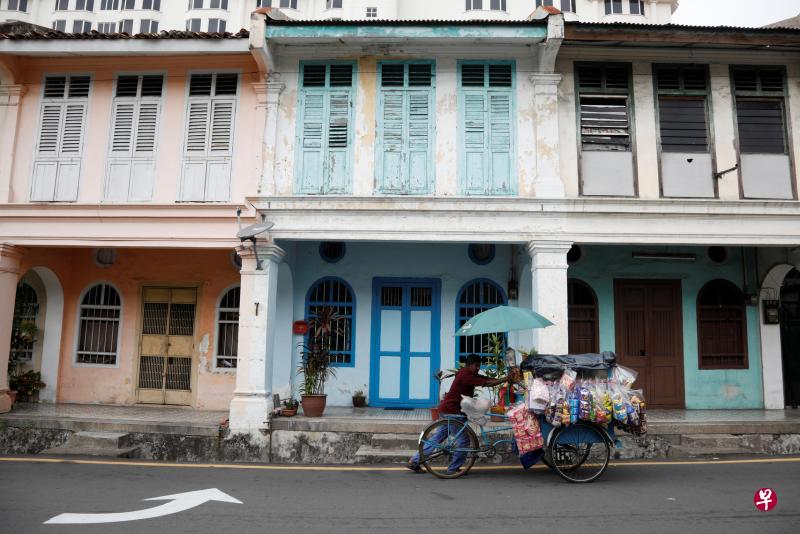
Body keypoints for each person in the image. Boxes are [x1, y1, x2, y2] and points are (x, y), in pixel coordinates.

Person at [407, 353, 511, 474]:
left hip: (447, 409)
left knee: (438, 437)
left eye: (479, 366)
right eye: (477, 366)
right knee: (464, 441)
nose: (478, 368)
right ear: (471, 365)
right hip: (453, 411)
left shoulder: (467, 373)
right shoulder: (466, 375)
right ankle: (453, 469)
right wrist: (505, 379)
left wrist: (505, 379)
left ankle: (414, 461)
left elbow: (485, 379)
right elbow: (487, 383)